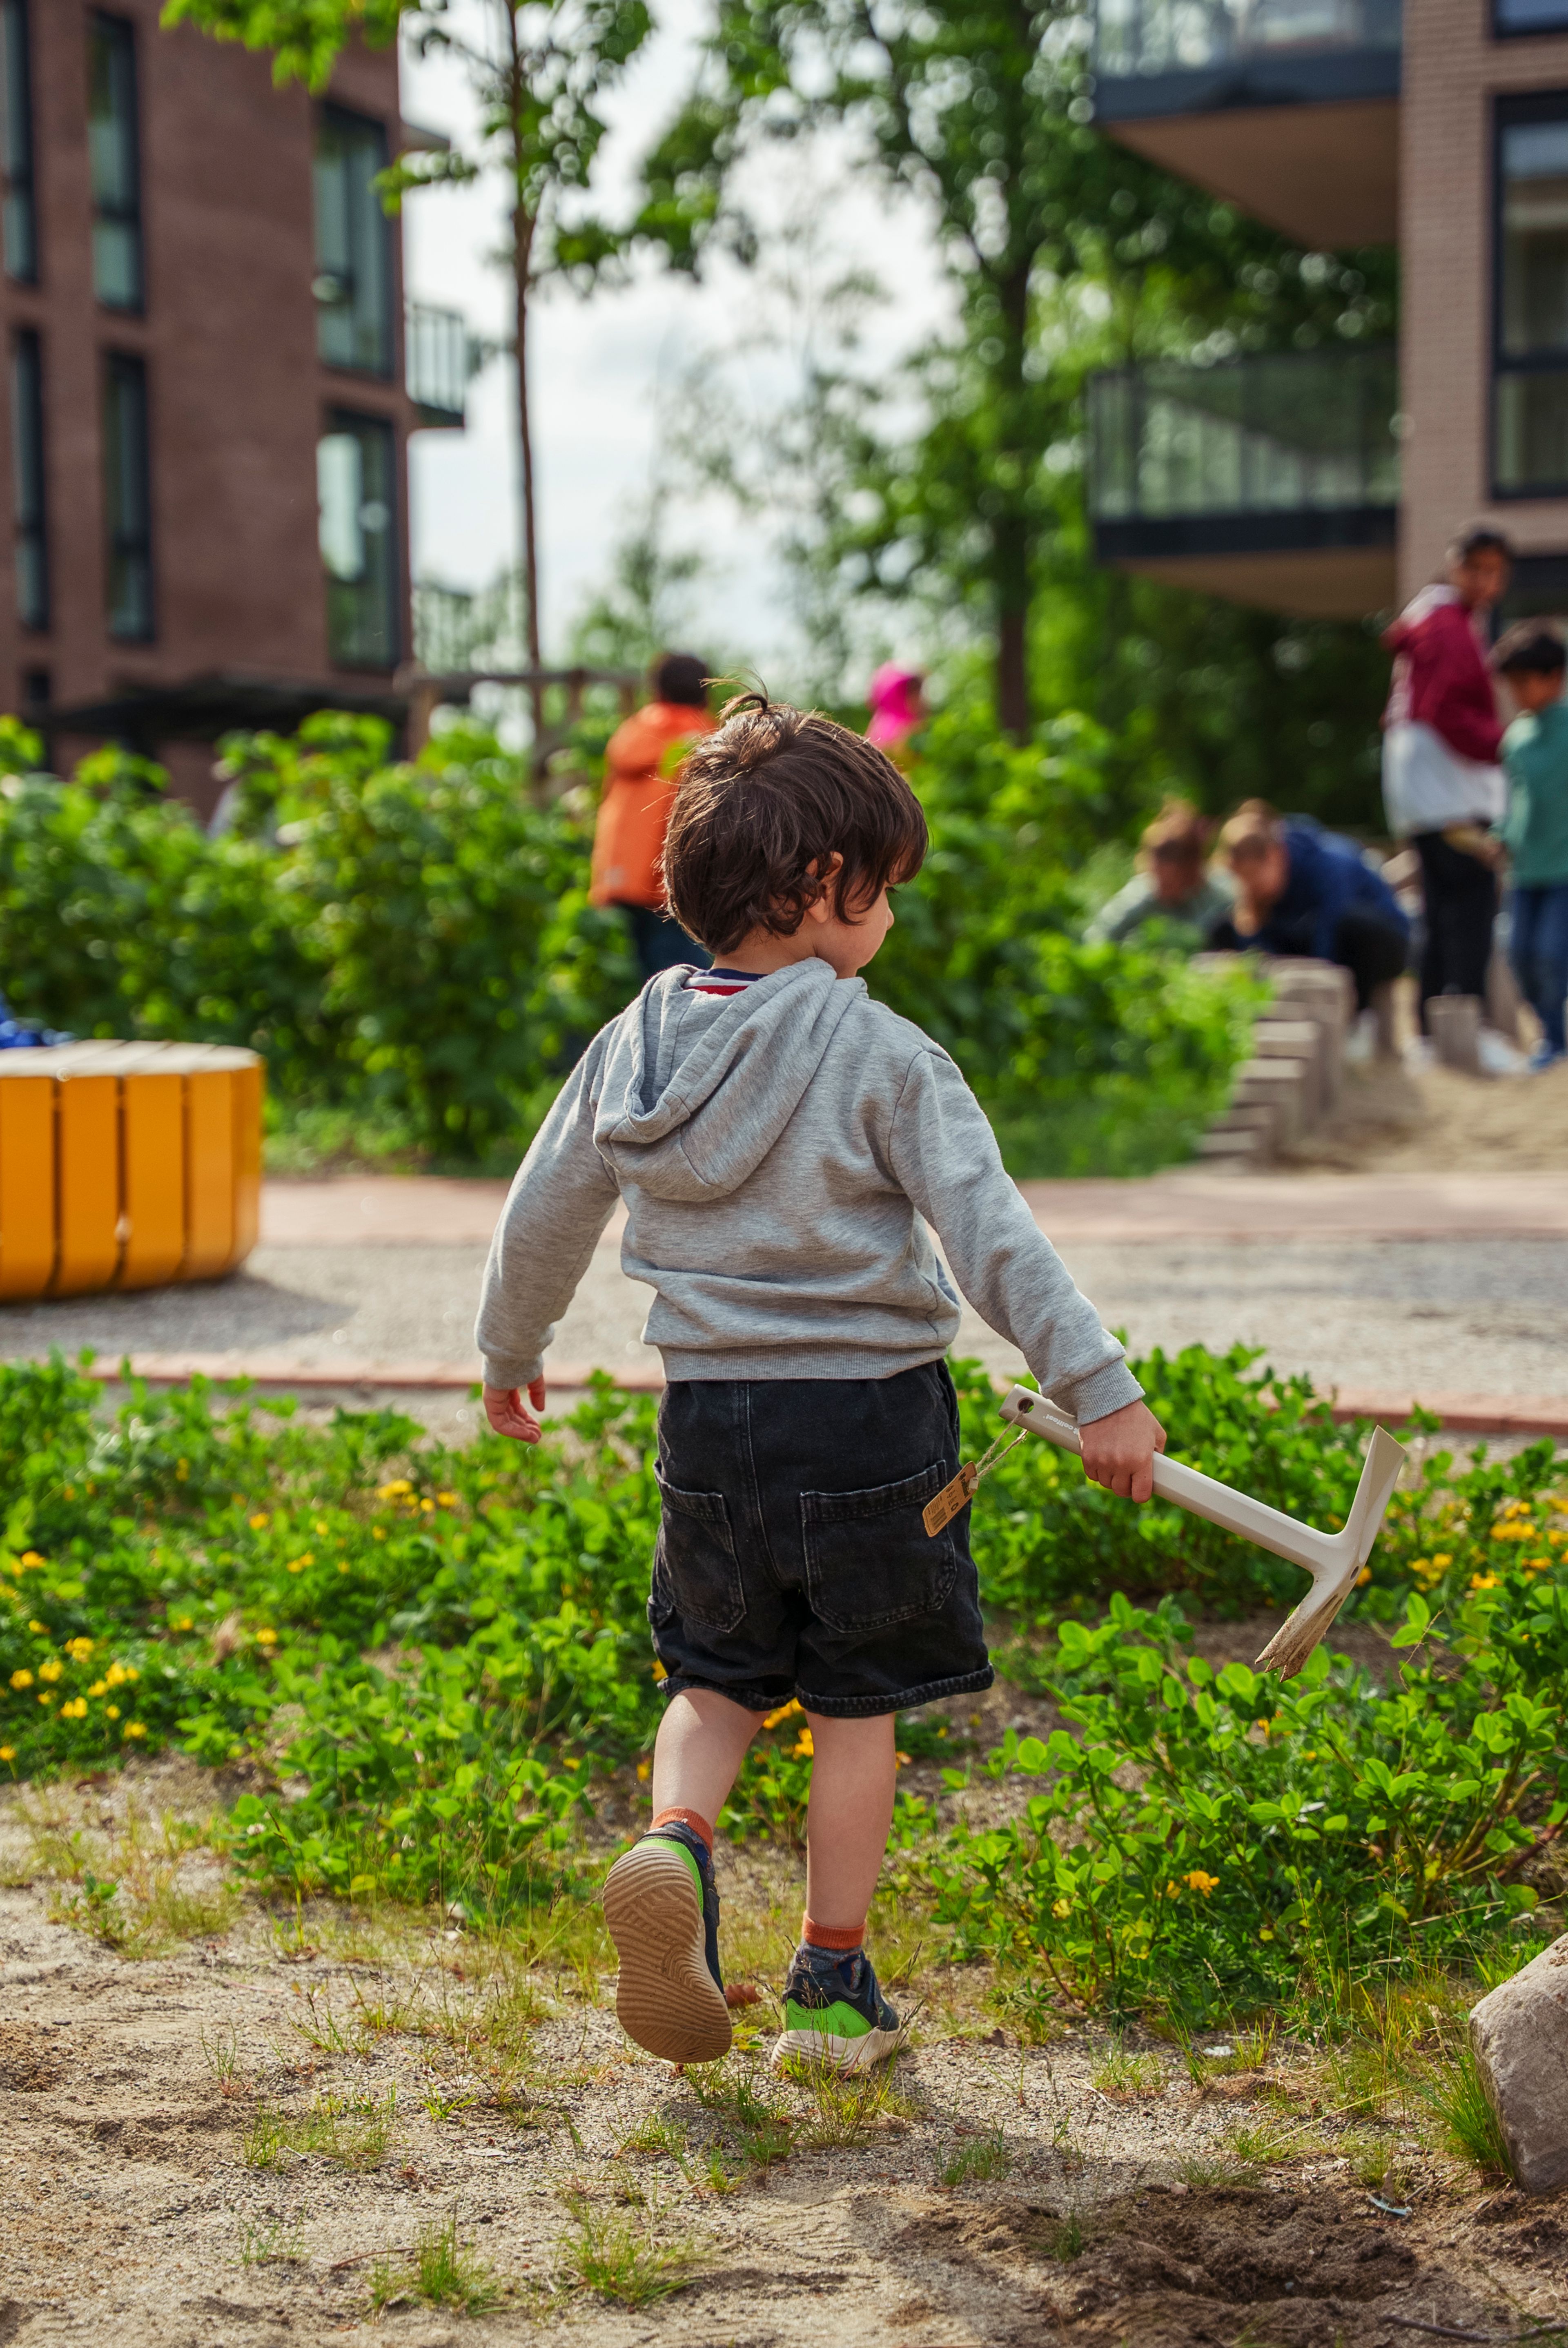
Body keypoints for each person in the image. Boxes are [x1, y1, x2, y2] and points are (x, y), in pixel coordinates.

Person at [476, 693, 1163, 2076]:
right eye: (884, 888)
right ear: (817, 887)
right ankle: (833, 1986)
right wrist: (1099, 1384)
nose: (892, 915)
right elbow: (993, 1236)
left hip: (708, 1419)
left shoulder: (639, 1041)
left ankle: (674, 1840)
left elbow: (543, 1207)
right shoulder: (879, 1051)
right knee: (856, 1700)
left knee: (715, 1672)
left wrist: (510, 1348)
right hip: (868, 1417)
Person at [1381, 525, 1513, 1026]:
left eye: (1494, 573)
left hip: (1424, 794)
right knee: (1469, 911)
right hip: (1452, 795)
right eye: (1476, 569)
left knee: (1438, 913)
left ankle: (1430, 1028)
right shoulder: (1448, 628)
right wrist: (1506, 748)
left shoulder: (1431, 618)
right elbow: (1447, 711)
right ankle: (1469, 1025)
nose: (1485, 582)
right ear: (1456, 566)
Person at [1207, 800, 1410, 1012]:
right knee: (1223, 929)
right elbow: (1259, 945)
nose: (1250, 888)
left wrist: (1315, 994)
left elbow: (1329, 935)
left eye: (1254, 878)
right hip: (1312, 937)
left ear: (1275, 856)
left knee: (1351, 927)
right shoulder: (1264, 890)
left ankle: (1358, 1018)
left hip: (1382, 939)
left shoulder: (1329, 864)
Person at [590, 652, 716, 981]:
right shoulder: (703, 741)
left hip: (621, 879)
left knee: (629, 984)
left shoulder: (633, 734)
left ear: (657, 690)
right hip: (670, 888)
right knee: (689, 984)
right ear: (706, 692)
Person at [1493, 620, 1568, 1073]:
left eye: (1525, 681)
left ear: (1555, 677)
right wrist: (1499, 838)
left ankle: (1556, 1041)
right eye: (1512, 684)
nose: (1517, 692)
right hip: (1525, 870)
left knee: (1551, 954)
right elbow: (1513, 805)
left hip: (1565, 869)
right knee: (1520, 955)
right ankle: (1550, 1037)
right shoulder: (1515, 740)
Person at [1085, 799, 1233, 949]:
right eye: (1159, 877)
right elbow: (1097, 939)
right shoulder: (1139, 896)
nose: (1164, 887)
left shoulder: (1220, 897)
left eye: (1173, 880)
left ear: (1192, 871)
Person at [864, 664, 927, 762]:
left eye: (919, 693)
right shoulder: (898, 730)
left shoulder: (877, 725)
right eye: (912, 693)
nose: (919, 699)